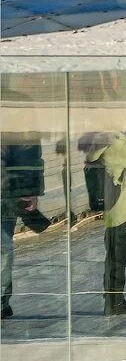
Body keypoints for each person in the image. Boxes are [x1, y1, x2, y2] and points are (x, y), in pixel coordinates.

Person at [85, 130, 126, 315]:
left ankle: (112, 298)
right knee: (119, 256)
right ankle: (115, 301)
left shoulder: (103, 141)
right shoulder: (113, 143)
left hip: (116, 207)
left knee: (115, 255)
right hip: (121, 208)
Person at [2, 131, 49, 319]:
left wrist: (29, 192)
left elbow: (29, 159)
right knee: (3, 248)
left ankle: (2, 300)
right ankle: (2, 301)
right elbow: (30, 160)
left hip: (8, 193)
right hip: (9, 193)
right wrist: (29, 192)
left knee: (3, 247)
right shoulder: (21, 123)